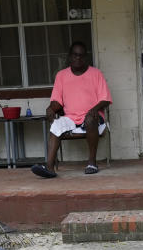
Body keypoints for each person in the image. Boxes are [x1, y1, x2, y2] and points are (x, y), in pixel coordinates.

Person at [31, 41, 111, 178]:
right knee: (57, 124)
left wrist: (94, 109)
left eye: (81, 55)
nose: (78, 58)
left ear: (85, 57)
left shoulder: (96, 74)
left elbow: (105, 99)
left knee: (90, 118)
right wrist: (51, 108)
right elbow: (57, 102)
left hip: (93, 117)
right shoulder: (61, 75)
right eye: (75, 55)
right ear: (69, 57)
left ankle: (92, 163)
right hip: (71, 117)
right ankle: (49, 167)